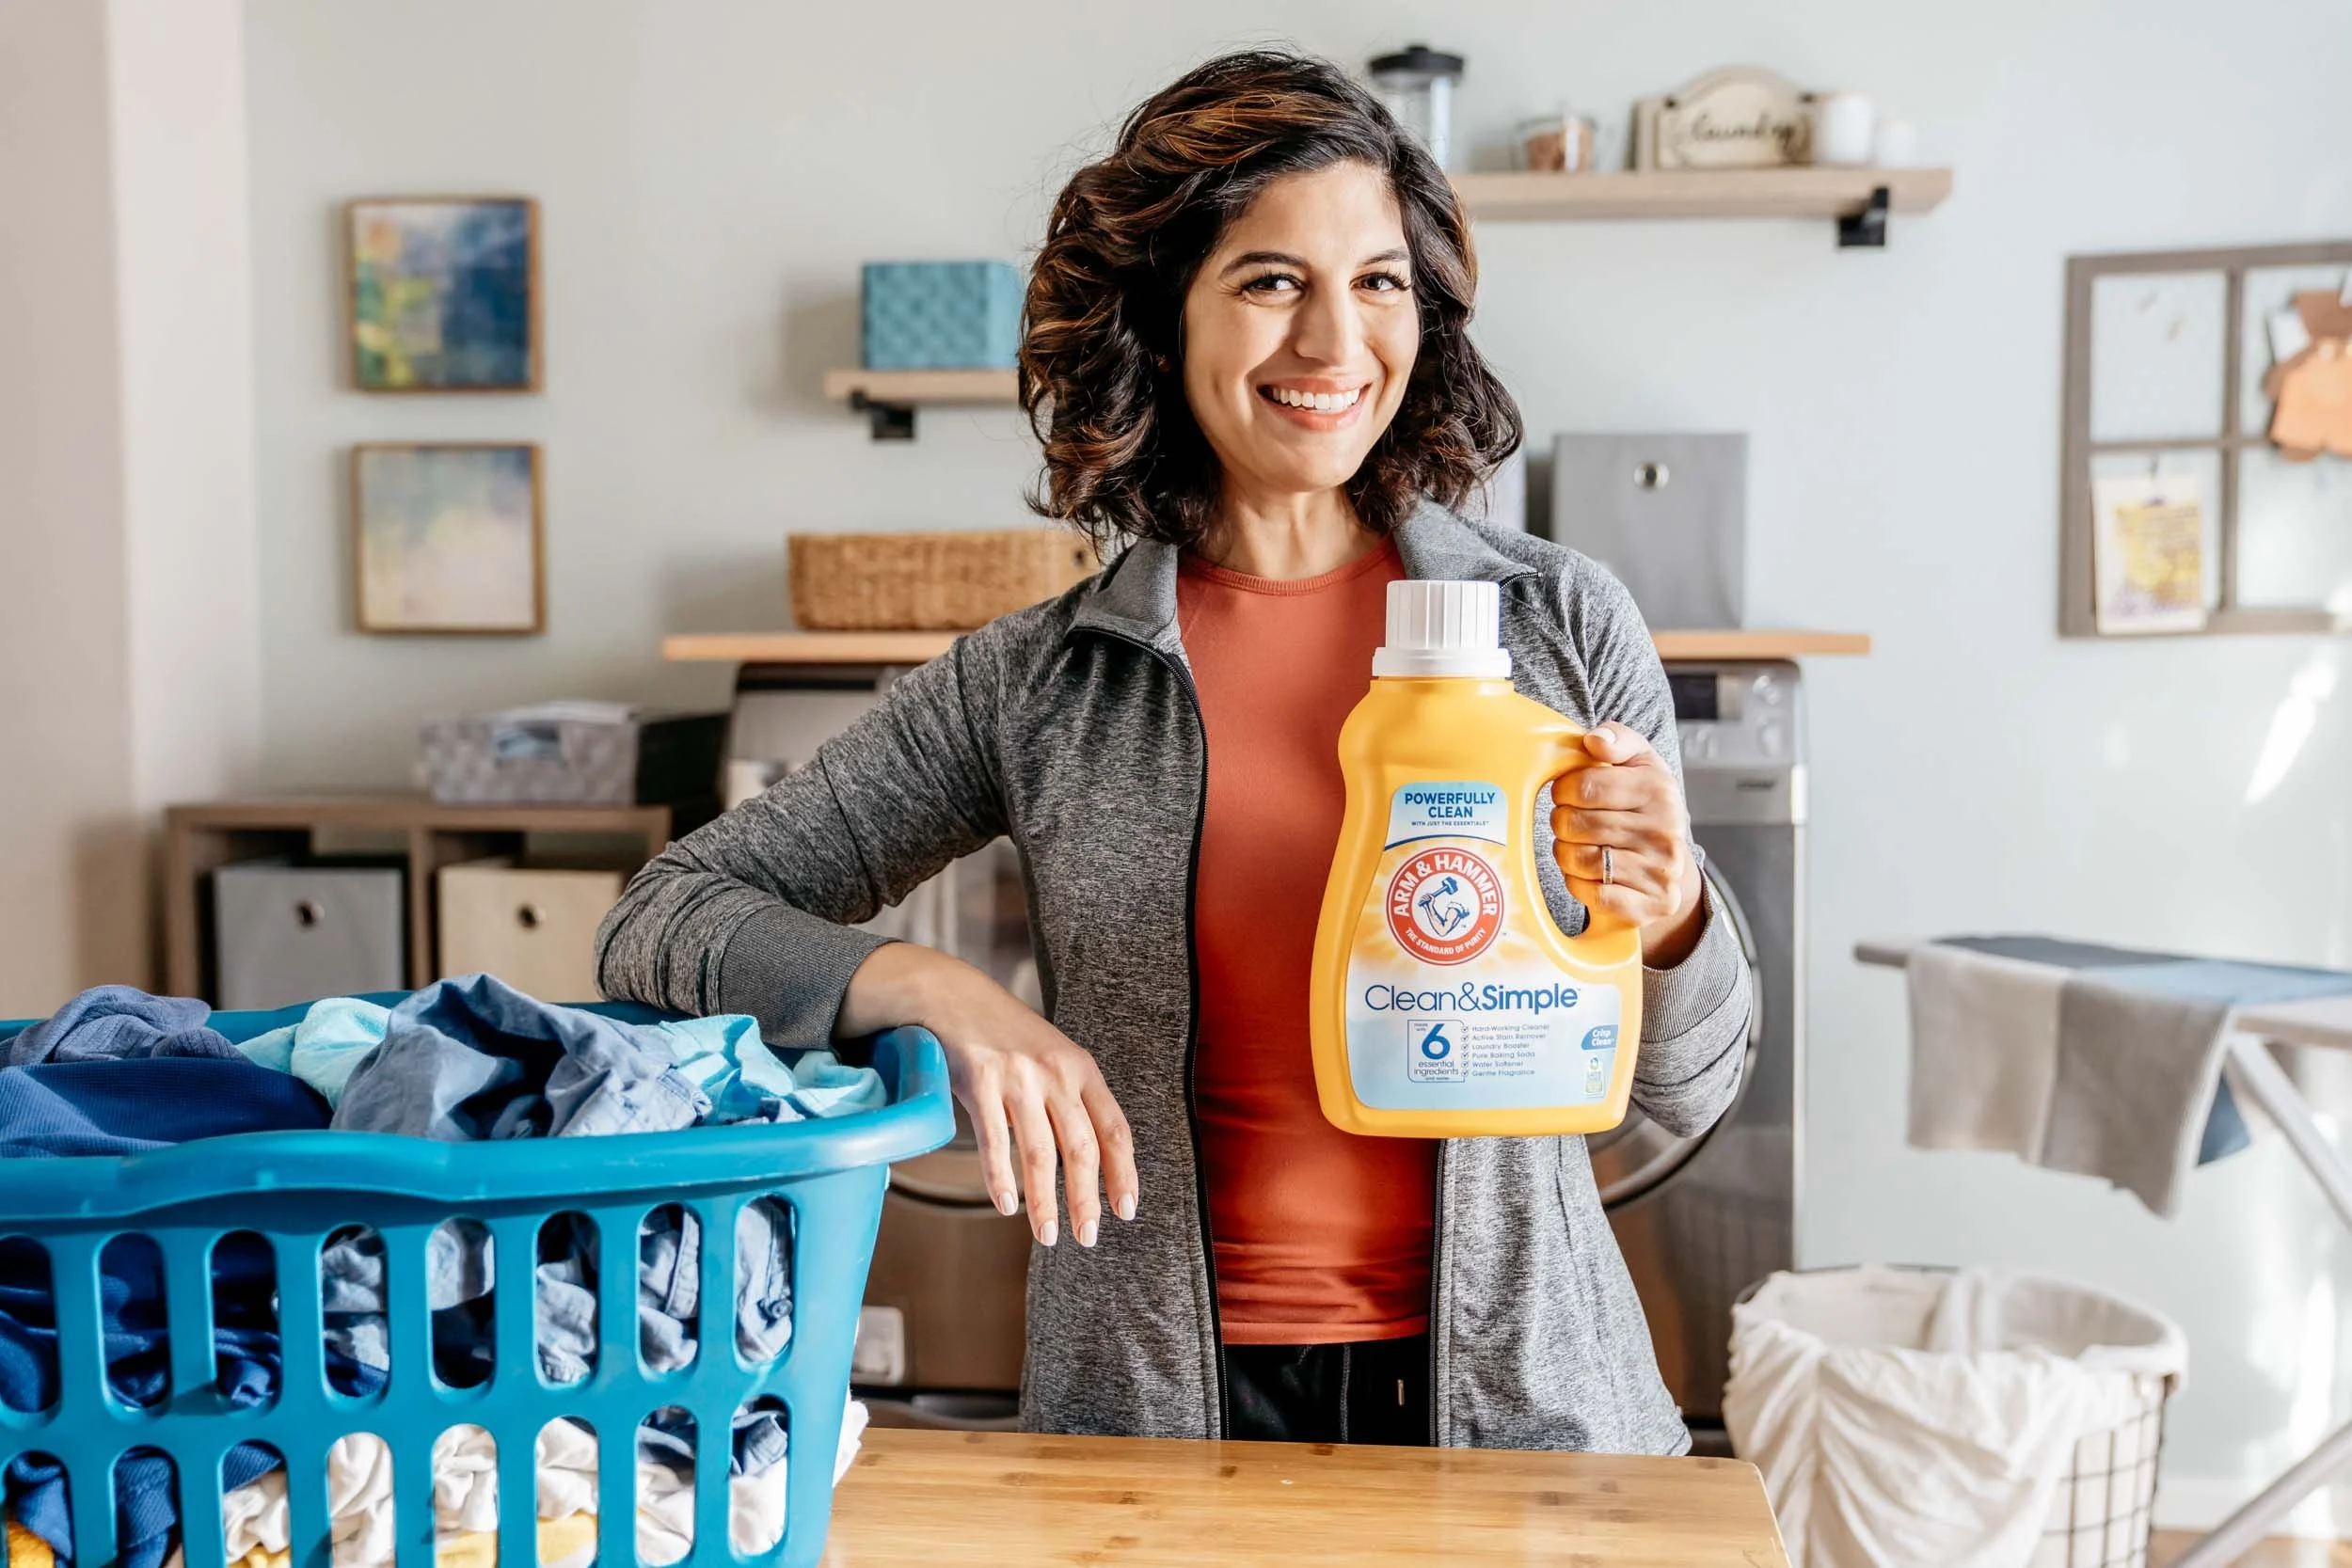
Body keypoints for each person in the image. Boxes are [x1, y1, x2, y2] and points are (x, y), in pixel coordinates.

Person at [596, 49, 1752, 1453]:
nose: (1334, 345)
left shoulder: (1557, 622)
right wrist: (924, 986)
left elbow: (1686, 1084)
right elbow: (662, 920)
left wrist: (1675, 904)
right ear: (1165, 315)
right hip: (1154, 1420)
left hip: (1526, 1416)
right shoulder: (1037, 680)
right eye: (1272, 281)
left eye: (1377, 282)